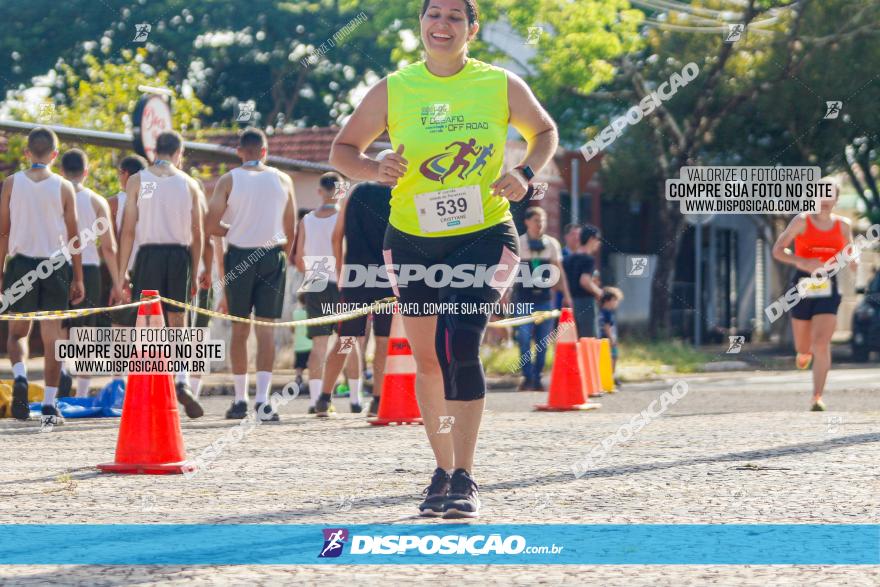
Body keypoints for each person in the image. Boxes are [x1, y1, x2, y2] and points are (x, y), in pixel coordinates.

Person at [329, 0, 558, 518]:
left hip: (483, 232)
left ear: (471, 29)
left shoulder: (499, 84)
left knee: (459, 342)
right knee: (429, 357)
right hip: (411, 237)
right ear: (421, 24)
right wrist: (371, 167)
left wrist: (524, 173)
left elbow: (544, 133)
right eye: (435, 14)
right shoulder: (394, 87)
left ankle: (465, 476)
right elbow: (342, 150)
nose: (443, 25)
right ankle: (441, 469)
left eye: (456, 17)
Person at [206, 128, 297, 421]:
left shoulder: (229, 179)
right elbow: (291, 228)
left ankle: (240, 399)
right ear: (265, 151)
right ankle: (263, 401)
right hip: (273, 255)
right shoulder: (283, 179)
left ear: (239, 151)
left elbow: (211, 224)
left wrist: (237, 230)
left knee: (240, 330)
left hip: (239, 256)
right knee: (267, 329)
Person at [0, 127, 85, 424]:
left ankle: (21, 376)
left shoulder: (11, 183)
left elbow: (3, 232)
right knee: (53, 338)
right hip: (55, 265)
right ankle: (49, 406)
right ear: (54, 155)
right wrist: (78, 277)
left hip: (21, 264)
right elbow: (75, 236)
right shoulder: (64, 187)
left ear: (26, 153)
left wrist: (0, 272)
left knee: (17, 334)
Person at [118, 130, 205, 419]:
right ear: (179, 153)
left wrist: (122, 272)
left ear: (155, 150)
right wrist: (195, 272)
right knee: (178, 323)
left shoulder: (138, 180)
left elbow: (128, 229)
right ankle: (181, 380)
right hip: (179, 256)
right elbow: (198, 233)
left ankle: (152, 390)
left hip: (148, 256)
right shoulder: (190, 184)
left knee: (148, 325)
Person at [772, 183, 854, 411]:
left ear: (836, 199)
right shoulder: (801, 221)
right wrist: (800, 261)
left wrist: (853, 262)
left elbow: (850, 252)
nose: (825, 199)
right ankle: (803, 352)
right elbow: (778, 250)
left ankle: (817, 397)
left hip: (829, 285)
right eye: (821, 195)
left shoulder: (843, 225)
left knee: (822, 343)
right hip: (803, 284)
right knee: (804, 346)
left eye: (830, 195)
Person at [316, 181, 394, 417]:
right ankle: (377, 403)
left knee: (346, 339)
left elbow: (336, 236)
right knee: (383, 341)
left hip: (355, 278)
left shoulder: (355, 193)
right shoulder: (398, 195)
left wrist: (340, 270)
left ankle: (323, 398)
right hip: (388, 278)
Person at [58, 149, 124, 398]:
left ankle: (61, 374)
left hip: (57, 266)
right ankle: (83, 394)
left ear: (61, 171)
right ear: (86, 172)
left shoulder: (55, 196)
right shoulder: (97, 201)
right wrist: (117, 282)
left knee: (59, 326)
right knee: (87, 334)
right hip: (90, 268)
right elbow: (108, 246)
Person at [294, 172, 353, 415]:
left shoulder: (306, 220)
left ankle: (316, 399)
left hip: (315, 280)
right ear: (341, 192)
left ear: (320, 191)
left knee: (318, 344)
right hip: (340, 281)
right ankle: (353, 395)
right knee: (348, 340)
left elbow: (298, 259)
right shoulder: (345, 217)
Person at [514, 207, 572, 391]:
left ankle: (538, 377)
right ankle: (527, 376)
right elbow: (511, 271)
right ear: (527, 222)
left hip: (545, 299)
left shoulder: (552, 244)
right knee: (523, 337)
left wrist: (567, 295)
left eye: (543, 220)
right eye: (536, 220)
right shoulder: (519, 243)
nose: (540, 224)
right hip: (523, 298)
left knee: (543, 340)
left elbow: (559, 271)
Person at [563, 223, 602, 338]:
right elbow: (584, 281)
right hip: (586, 302)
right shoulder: (588, 259)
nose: (598, 244)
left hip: (570, 303)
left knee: (572, 338)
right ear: (591, 239)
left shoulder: (568, 259)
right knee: (588, 338)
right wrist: (599, 292)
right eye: (597, 240)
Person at [598, 286, 623, 384]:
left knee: (606, 358)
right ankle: (611, 375)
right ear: (609, 300)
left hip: (602, 339)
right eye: (616, 300)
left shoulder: (601, 312)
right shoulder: (607, 313)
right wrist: (612, 339)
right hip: (607, 339)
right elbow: (607, 327)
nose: (617, 303)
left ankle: (608, 375)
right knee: (613, 356)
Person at [292, 293, 312, 389]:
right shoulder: (311, 314)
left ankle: (298, 381)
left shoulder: (296, 313)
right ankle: (313, 382)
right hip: (310, 344)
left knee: (299, 366)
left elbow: (292, 329)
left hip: (298, 345)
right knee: (312, 364)